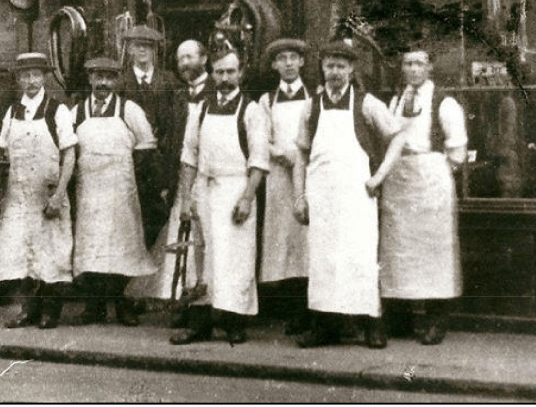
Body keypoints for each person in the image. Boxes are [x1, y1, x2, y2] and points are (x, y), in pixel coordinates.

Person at [292, 40, 409, 349]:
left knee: (359, 259)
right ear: (322, 68)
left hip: (357, 196)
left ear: (352, 69)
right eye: (329, 66)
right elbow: (301, 154)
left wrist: (378, 177)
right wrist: (299, 197)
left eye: (341, 67)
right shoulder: (311, 106)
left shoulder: (367, 103)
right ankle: (324, 326)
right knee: (323, 260)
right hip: (321, 196)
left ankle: (372, 325)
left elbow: (398, 137)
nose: (334, 72)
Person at [170, 48, 269, 345]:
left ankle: (234, 323)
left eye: (230, 72)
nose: (225, 78)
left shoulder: (251, 111)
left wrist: (247, 198)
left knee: (235, 258)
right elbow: (189, 155)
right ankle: (200, 323)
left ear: (240, 73)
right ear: (212, 73)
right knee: (202, 259)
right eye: (219, 72)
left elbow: (260, 161)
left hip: (235, 190)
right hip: (204, 189)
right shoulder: (200, 110)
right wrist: (187, 199)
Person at [0, 52, 77, 329]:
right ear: (19, 79)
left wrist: (59, 195)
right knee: (21, 252)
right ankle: (28, 309)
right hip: (19, 196)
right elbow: (4, 153)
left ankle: (50, 311)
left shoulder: (57, 110)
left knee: (51, 252)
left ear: (44, 77)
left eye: (36, 75)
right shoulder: (12, 112)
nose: (31, 81)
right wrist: (2, 193)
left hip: (48, 195)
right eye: (25, 75)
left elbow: (70, 155)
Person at [381, 49, 467, 345]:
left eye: (419, 63)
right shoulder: (395, 101)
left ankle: (435, 320)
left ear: (430, 67)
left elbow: (457, 151)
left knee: (433, 252)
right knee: (399, 252)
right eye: (408, 63)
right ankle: (402, 318)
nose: (413, 69)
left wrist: (435, 171)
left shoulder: (444, 101)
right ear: (402, 68)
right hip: (399, 180)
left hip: (430, 180)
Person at [128, 40, 212, 322]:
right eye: (180, 59)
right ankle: (180, 298)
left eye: (189, 57)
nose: (184, 64)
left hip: (212, 175)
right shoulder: (176, 94)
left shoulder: (216, 90)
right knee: (181, 233)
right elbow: (168, 138)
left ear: (204, 58)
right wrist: (167, 178)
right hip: (183, 176)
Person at [71, 57, 158, 326]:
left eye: (108, 77)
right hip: (89, 192)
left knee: (122, 247)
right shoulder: (77, 111)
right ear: (89, 79)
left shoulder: (129, 109)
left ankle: (123, 304)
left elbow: (146, 145)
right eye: (98, 77)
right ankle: (94, 305)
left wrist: (138, 184)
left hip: (121, 190)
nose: (103, 83)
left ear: (117, 81)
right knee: (92, 246)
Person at [257, 38, 311, 335]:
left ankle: (310, 310)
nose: (289, 63)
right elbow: (260, 137)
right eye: (283, 59)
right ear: (275, 65)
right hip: (279, 176)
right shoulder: (266, 100)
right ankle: (291, 310)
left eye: (294, 58)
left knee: (307, 240)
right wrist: (282, 154)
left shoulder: (315, 96)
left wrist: (302, 155)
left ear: (302, 62)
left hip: (310, 175)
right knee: (284, 240)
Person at [119, 25, 181, 251]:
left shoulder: (168, 82)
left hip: (160, 164)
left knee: (159, 220)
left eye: (148, 46)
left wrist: (167, 168)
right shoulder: (121, 84)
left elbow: (175, 127)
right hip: (132, 164)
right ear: (130, 50)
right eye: (138, 46)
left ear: (155, 50)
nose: (143, 50)